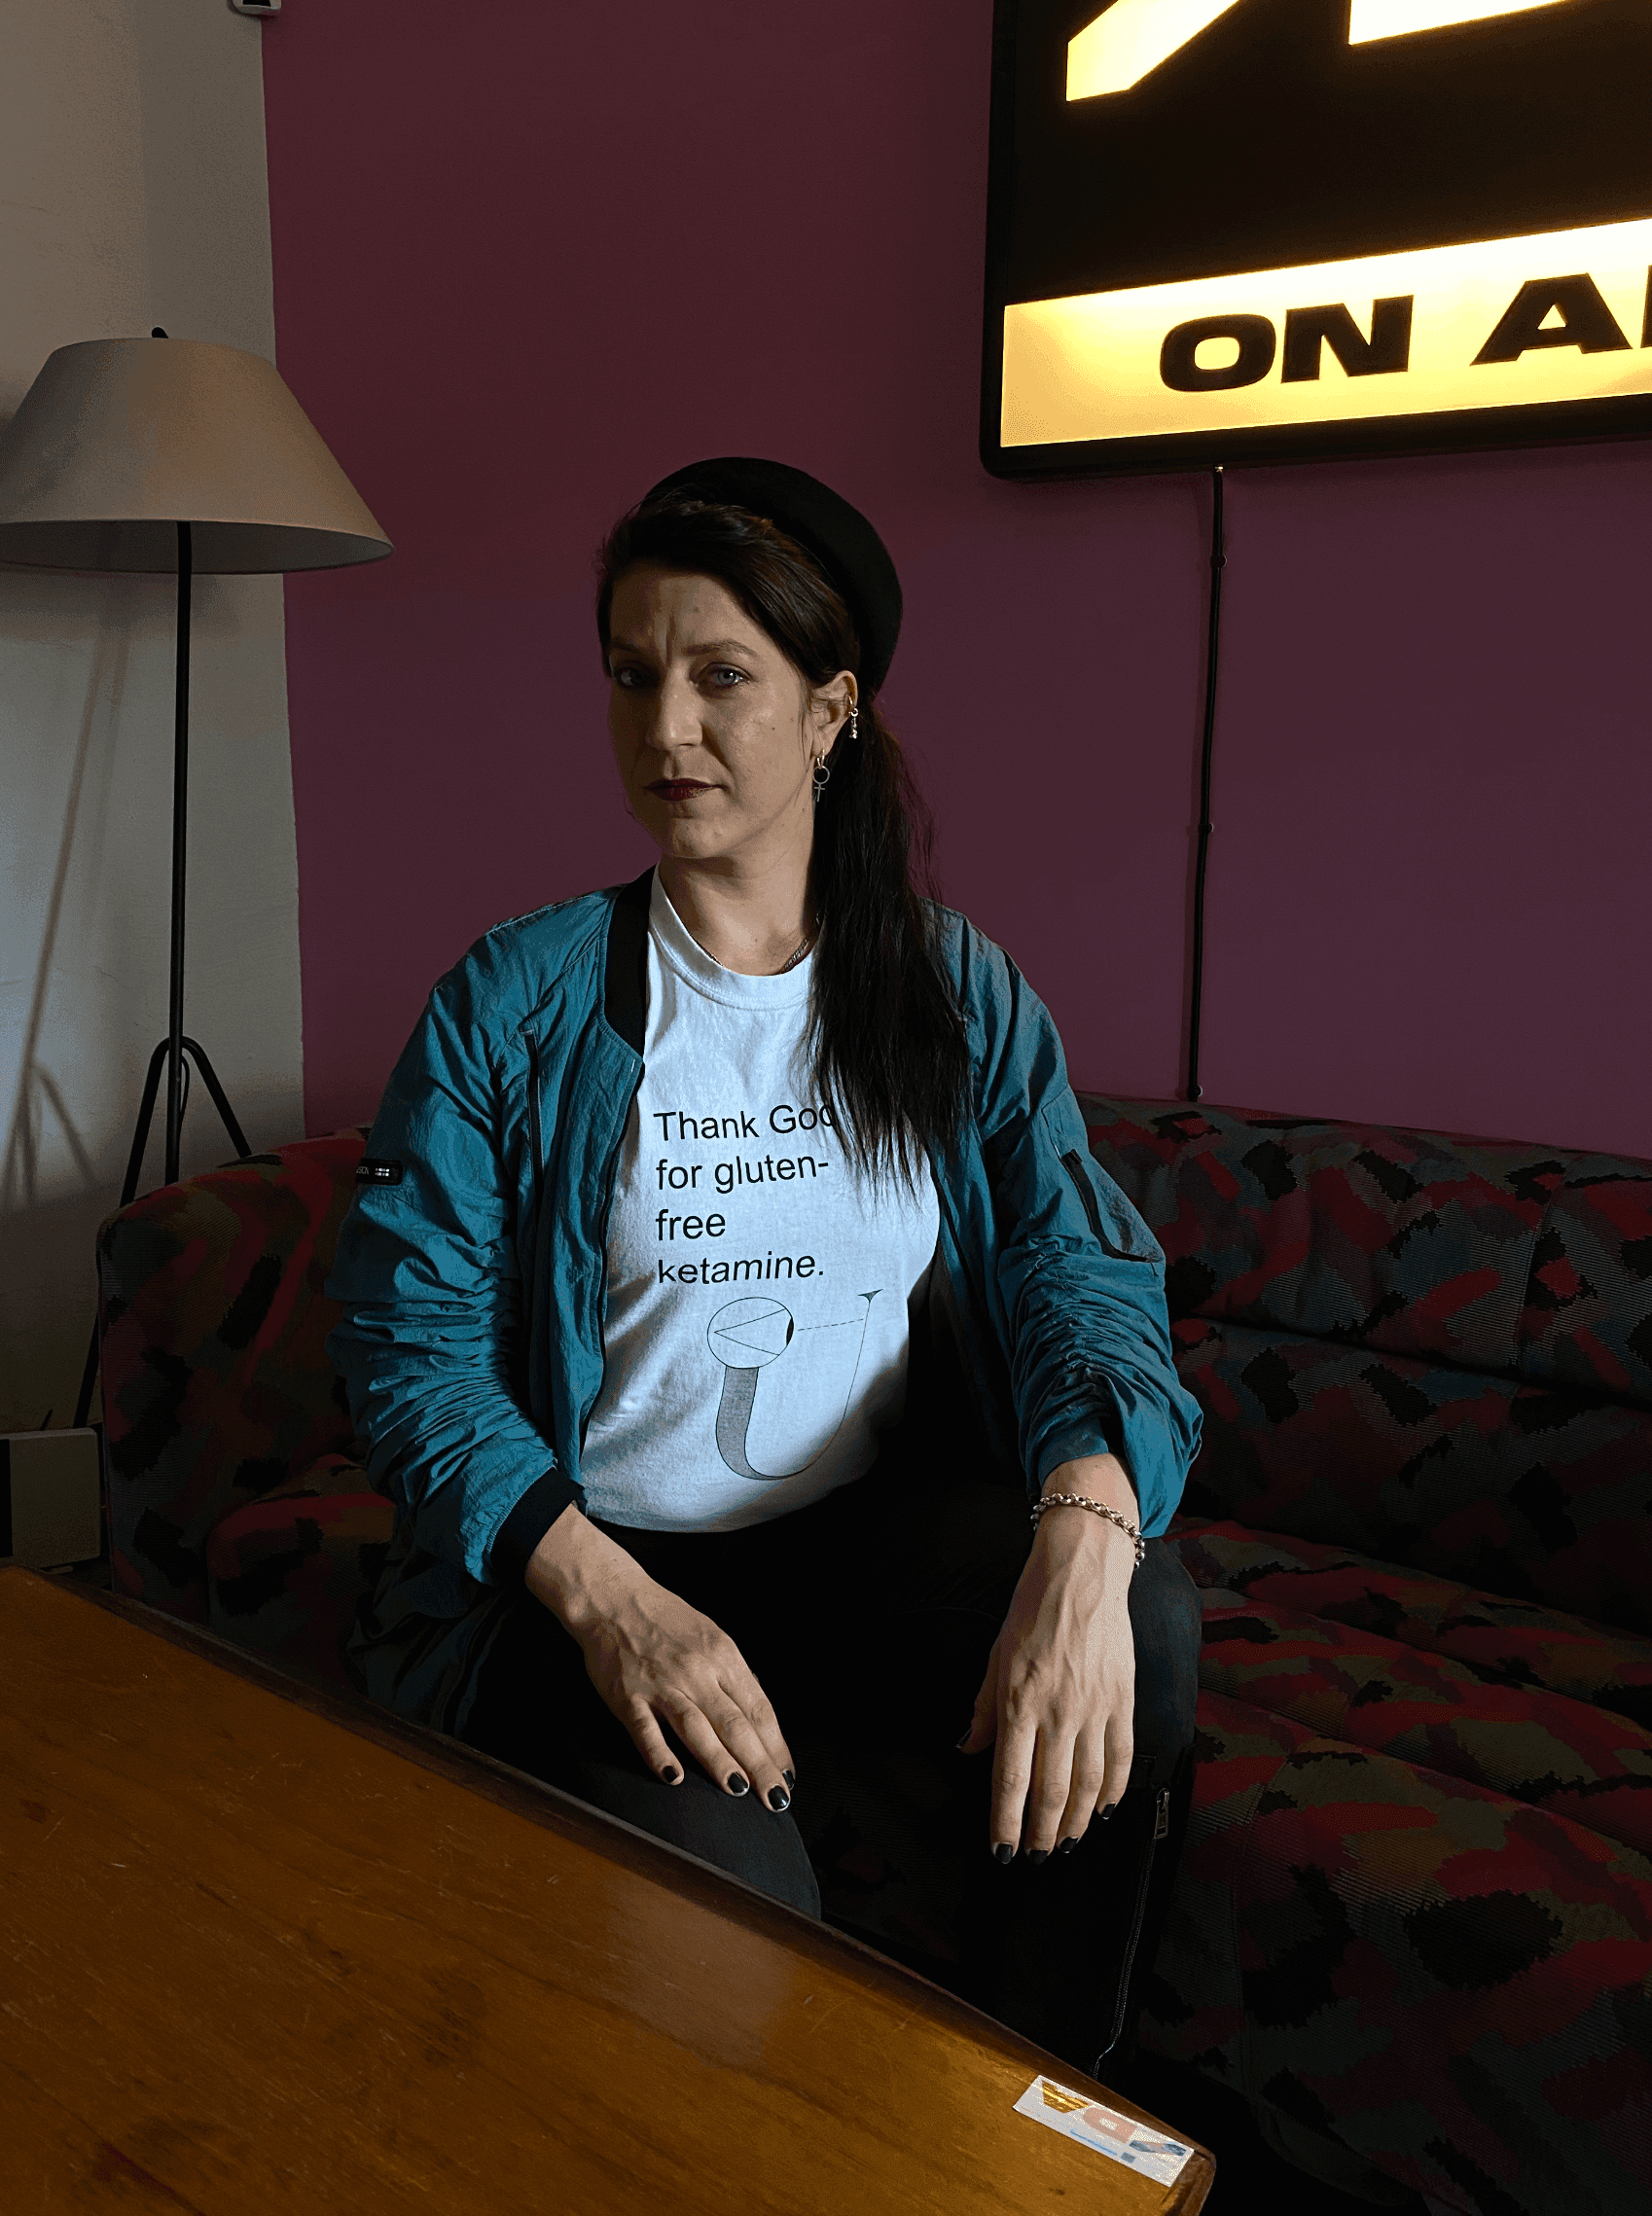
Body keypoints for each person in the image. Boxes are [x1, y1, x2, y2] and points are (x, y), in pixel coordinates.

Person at [327, 456, 1204, 2074]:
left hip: (853, 1548)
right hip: (590, 1568)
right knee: (738, 1922)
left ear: (830, 709)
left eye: (720, 676)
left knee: (1138, 1614)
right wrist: (612, 1604)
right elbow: (409, 1350)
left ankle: (1033, 2105)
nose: (664, 728)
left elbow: (1075, 1270)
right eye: (631, 674)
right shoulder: (514, 1001)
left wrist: (1088, 1525)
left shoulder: (951, 992)